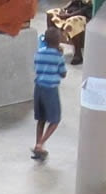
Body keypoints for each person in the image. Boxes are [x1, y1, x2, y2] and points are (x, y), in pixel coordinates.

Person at [32, 27, 67, 162]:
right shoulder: (58, 57)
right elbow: (63, 73)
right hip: (51, 90)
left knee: (41, 119)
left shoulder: (38, 53)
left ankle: (37, 144)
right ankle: (41, 144)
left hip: (38, 88)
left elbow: (36, 67)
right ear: (58, 42)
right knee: (55, 120)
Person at [46, 0, 92, 65]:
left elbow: (86, 9)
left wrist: (67, 15)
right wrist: (64, 9)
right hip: (72, 10)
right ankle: (53, 48)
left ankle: (78, 54)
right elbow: (73, 2)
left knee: (72, 21)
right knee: (50, 13)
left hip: (85, 15)